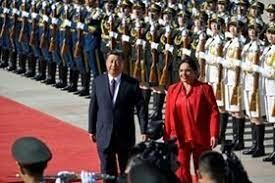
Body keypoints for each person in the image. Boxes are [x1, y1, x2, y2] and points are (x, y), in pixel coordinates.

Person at [88, 50, 148, 182]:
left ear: (123, 64)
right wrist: (91, 129)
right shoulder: (98, 81)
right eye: (111, 61)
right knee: (107, 171)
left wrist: (144, 129)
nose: (114, 65)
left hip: (124, 135)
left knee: (125, 171)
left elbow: (141, 108)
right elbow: (93, 107)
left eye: (117, 62)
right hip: (104, 134)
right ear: (106, 63)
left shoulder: (132, 83)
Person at [164, 56, 219, 183]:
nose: (184, 74)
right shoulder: (173, 89)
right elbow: (168, 115)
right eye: (181, 71)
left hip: (200, 138)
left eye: (188, 70)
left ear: (195, 72)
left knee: (202, 172)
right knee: (181, 172)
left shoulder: (205, 89)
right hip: (179, 138)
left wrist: (214, 134)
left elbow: (214, 112)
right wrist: (167, 136)